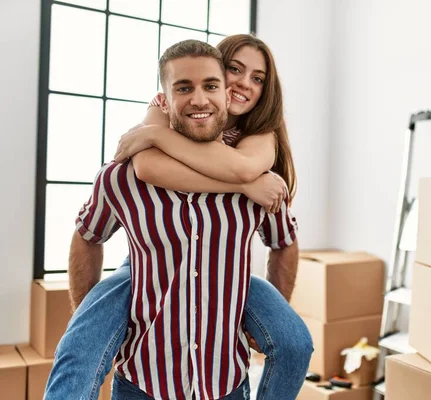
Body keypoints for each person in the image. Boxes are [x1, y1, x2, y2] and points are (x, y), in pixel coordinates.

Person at [44, 38, 312, 400]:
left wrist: (261, 319)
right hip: (144, 382)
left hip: (225, 384)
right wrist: (90, 311)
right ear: (163, 98)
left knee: (297, 343)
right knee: (78, 349)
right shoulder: (127, 172)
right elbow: (89, 234)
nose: (202, 98)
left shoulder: (259, 169)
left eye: (211, 86)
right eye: (185, 87)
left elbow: (284, 242)